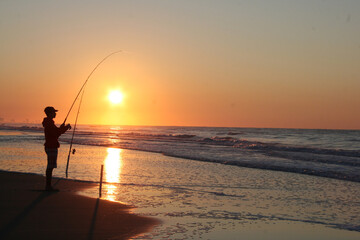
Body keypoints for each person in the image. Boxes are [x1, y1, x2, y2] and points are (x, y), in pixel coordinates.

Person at [42, 106, 71, 191]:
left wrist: (61, 128)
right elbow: (56, 133)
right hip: (51, 146)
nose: (55, 114)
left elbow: (56, 132)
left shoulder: (49, 123)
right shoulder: (49, 123)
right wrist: (65, 128)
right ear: (50, 113)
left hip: (51, 146)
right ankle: (48, 186)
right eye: (54, 112)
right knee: (50, 167)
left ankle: (48, 186)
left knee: (50, 166)